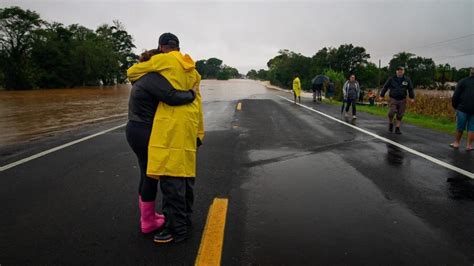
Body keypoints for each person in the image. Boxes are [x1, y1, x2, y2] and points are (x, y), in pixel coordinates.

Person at [127, 32, 204, 243]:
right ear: (178, 47)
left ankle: (174, 227)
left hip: (165, 128)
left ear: (161, 48)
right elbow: (196, 101)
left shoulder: (159, 65)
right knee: (184, 175)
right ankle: (182, 220)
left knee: (170, 178)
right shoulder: (193, 72)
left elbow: (131, 72)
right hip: (186, 126)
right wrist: (199, 131)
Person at [379, 66, 415, 134]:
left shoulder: (407, 80)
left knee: (400, 114)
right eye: (398, 70)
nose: (400, 71)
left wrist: (412, 97)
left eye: (401, 70)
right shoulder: (391, 79)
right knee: (391, 112)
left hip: (402, 99)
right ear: (396, 71)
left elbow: (410, 89)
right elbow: (385, 87)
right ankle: (390, 123)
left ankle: (397, 128)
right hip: (393, 99)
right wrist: (381, 95)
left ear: (403, 71)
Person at [450, 67, 474, 151]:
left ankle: (456, 143)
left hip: (462, 108)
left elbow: (455, 96)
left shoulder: (463, 81)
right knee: (472, 128)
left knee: (460, 126)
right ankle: (469, 145)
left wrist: (455, 106)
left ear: (470, 73)